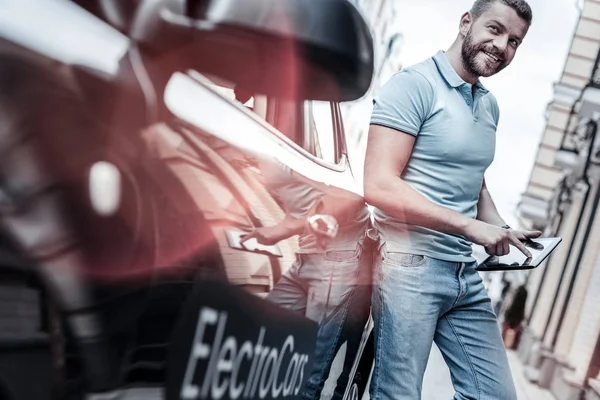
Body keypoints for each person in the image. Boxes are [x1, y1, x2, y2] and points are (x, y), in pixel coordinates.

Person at [363, 1, 539, 399]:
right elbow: (378, 185)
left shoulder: (488, 104)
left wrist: (503, 230)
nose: (501, 46)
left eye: (514, 41)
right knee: (398, 394)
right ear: (466, 22)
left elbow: (476, 186)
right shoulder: (414, 85)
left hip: (463, 274)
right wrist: (469, 227)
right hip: (409, 266)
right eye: (494, 30)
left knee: (494, 395)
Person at [241, 157, 371, 400]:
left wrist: (289, 228)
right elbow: (302, 208)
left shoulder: (314, 144)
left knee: (307, 368)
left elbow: (353, 195)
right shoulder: (273, 152)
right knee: (260, 345)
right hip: (306, 257)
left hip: (336, 260)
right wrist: (276, 232)